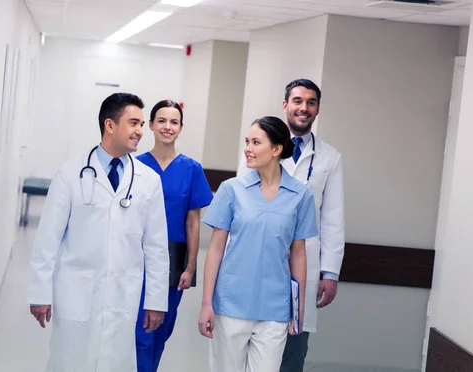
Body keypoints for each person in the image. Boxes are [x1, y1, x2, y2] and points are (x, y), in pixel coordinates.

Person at [27, 92, 170, 372]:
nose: (141, 131)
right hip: (76, 290)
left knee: (115, 361)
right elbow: (48, 239)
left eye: (142, 124)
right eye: (134, 123)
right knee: (69, 360)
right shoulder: (71, 174)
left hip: (123, 293)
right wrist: (39, 292)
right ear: (110, 125)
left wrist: (156, 300)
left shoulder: (148, 181)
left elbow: (156, 247)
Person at [237, 79, 345, 371]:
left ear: (318, 109)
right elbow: (242, 205)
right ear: (285, 105)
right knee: (251, 347)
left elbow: (333, 219)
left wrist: (330, 271)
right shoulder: (258, 147)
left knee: (293, 351)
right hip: (260, 260)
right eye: (297, 101)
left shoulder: (330, 158)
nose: (303, 108)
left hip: (305, 263)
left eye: (311, 102)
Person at [198, 116, 318, 372]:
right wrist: (207, 304)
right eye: (247, 141)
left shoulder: (301, 195)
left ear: (276, 150)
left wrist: (298, 311)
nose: (247, 149)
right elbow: (216, 249)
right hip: (231, 303)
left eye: (255, 142)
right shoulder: (232, 189)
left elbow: (299, 255)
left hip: (275, 308)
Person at [134, 100, 213, 372]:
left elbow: (193, 222)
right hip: (137, 257)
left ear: (180, 129)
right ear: (152, 125)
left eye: (174, 122)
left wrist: (191, 266)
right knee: (139, 332)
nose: (168, 127)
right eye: (162, 121)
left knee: (160, 331)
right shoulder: (135, 166)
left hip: (173, 260)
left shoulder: (192, 169)